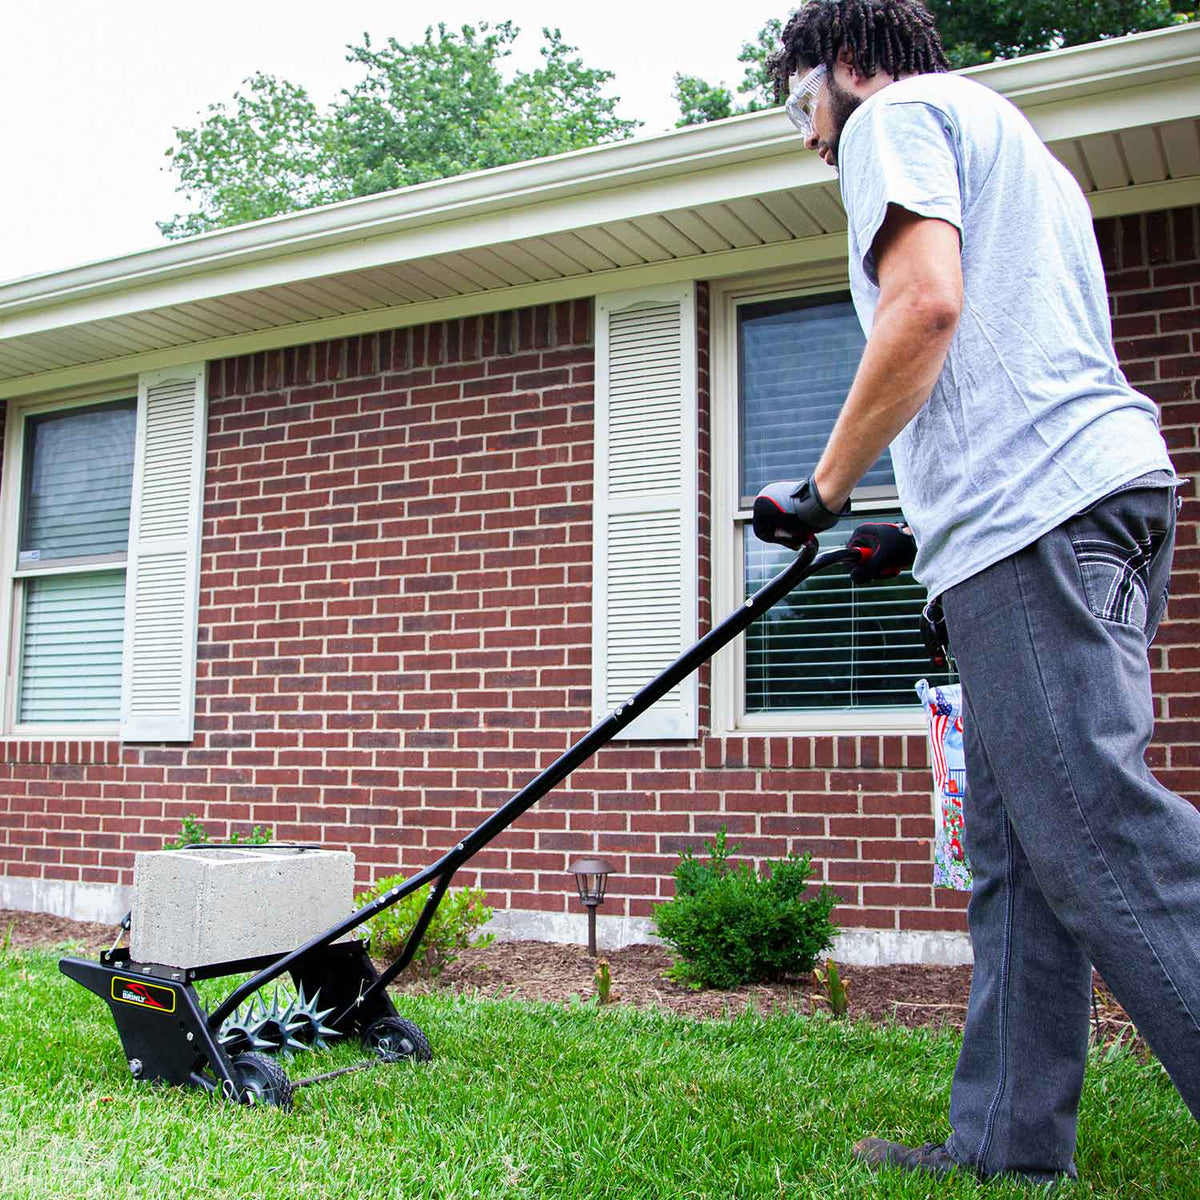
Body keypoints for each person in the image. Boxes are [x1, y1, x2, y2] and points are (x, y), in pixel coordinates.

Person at [751, 0, 1199, 1185]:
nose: (809, 140)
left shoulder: (893, 118)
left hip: (1037, 523)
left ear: (849, 66)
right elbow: (1002, 355)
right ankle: (1002, 1147)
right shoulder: (1015, 144)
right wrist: (918, 523)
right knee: (1020, 854)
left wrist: (827, 487)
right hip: (1072, 510)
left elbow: (928, 305)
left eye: (803, 105)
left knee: (1097, 832)